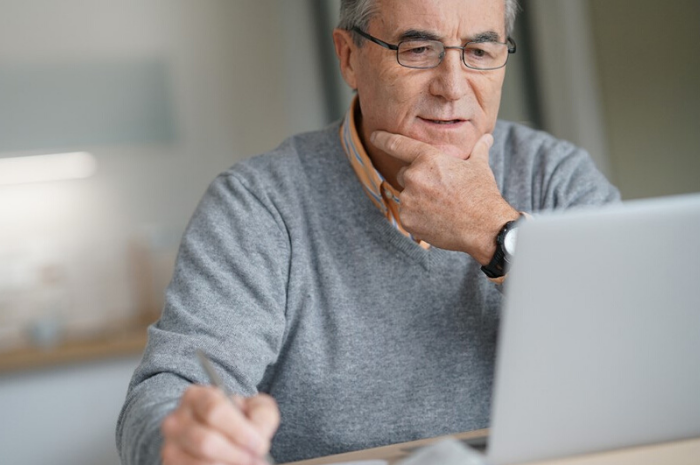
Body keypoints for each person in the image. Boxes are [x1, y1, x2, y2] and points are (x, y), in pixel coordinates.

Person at [116, 0, 619, 464]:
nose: (452, 86)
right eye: (418, 49)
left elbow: (641, 343)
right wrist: (180, 441)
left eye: (480, 51)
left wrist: (493, 232)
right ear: (349, 56)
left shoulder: (556, 177)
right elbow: (167, 392)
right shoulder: (258, 204)